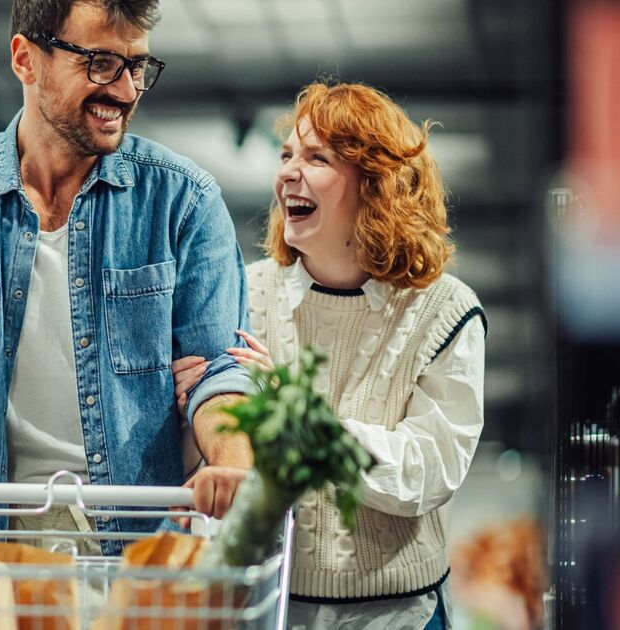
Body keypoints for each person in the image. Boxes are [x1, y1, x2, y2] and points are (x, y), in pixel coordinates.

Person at [0, 0, 255, 556]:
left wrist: (231, 467)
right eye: (101, 62)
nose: (126, 89)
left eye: (137, 67)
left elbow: (218, 371)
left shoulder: (184, 202)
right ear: (25, 59)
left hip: (133, 551)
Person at [174, 82, 486, 628]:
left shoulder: (445, 310)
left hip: (399, 614)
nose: (288, 173)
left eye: (316, 157)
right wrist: (192, 409)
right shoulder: (243, 294)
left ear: (376, 184)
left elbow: (427, 471)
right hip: (267, 607)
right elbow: (209, 469)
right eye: (287, 155)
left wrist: (301, 417)